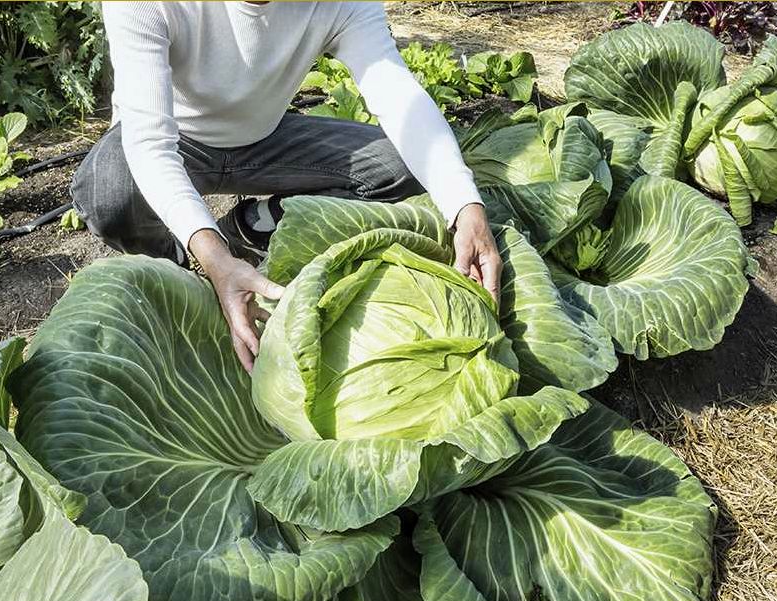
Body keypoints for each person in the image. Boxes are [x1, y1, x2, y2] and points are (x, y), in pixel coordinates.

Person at [72, 1, 502, 371]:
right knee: (109, 192)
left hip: (267, 139)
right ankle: (177, 263)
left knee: (399, 167)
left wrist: (466, 206)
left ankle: (252, 226)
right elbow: (150, 144)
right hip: (176, 139)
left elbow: (397, 94)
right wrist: (212, 258)